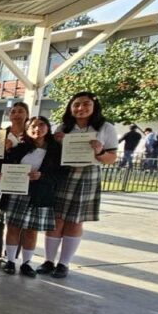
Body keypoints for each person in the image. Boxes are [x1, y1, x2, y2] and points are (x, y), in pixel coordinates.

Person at [38, 91, 118, 278]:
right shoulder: (64, 127)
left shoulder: (105, 128)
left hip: (87, 174)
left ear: (94, 106)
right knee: (56, 219)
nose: (81, 108)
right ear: (70, 107)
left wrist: (99, 152)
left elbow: (111, 157)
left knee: (75, 220)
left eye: (86, 104)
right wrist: (56, 142)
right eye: (76, 104)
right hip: (64, 174)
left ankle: (63, 263)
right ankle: (49, 260)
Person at [0, 116, 66, 277]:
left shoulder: (56, 150)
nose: (37, 128)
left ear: (48, 128)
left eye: (41, 125)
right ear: (27, 130)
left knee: (32, 231)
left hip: (41, 194)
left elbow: (61, 174)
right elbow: (7, 167)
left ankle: (26, 263)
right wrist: (0, 176)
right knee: (12, 227)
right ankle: (10, 261)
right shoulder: (20, 148)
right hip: (17, 193)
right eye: (32, 126)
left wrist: (42, 176)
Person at [0, 102, 29, 265]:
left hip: (23, 181)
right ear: (9, 115)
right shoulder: (0, 135)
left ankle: (11, 253)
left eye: (21, 111)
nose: (17, 114)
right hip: (1, 179)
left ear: (26, 114)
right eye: (13, 111)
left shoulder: (32, 135)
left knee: (18, 218)